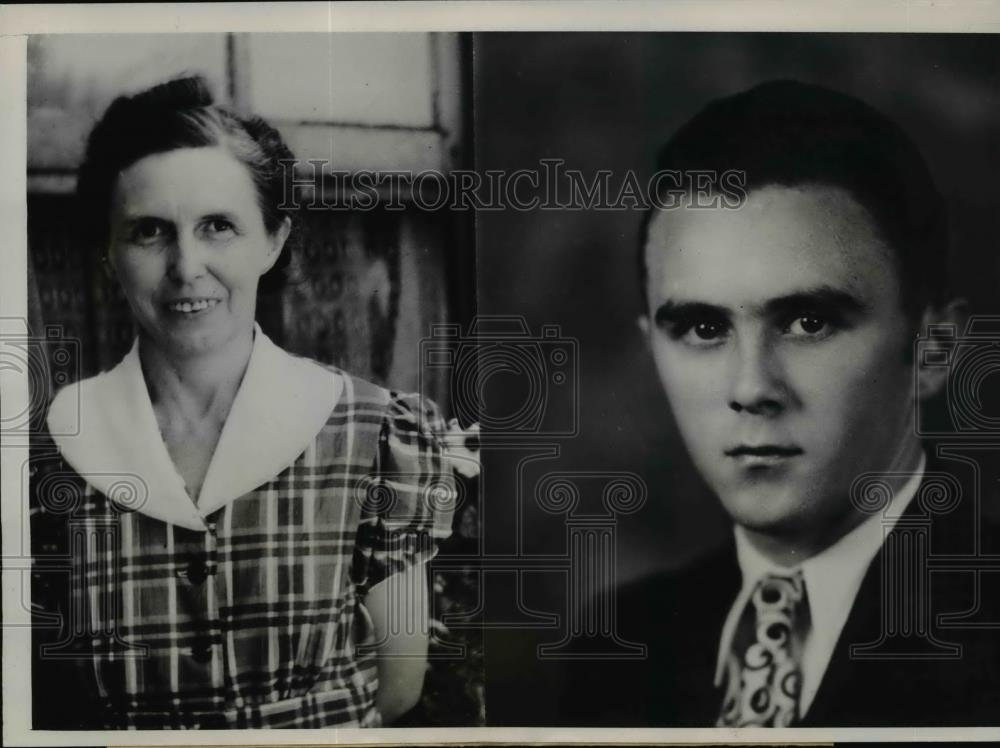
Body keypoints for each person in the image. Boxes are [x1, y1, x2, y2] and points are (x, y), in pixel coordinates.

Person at [562, 80, 1000, 726]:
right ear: (653, 346)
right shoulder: (619, 643)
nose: (751, 388)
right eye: (704, 329)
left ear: (933, 350)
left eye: (808, 322)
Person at [30, 76, 459, 729]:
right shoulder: (51, 455)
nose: (187, 265)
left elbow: (396, 688)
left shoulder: (375, 437)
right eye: (149, 232)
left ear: (273, 240)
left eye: (218, 227)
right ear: (107, 255)